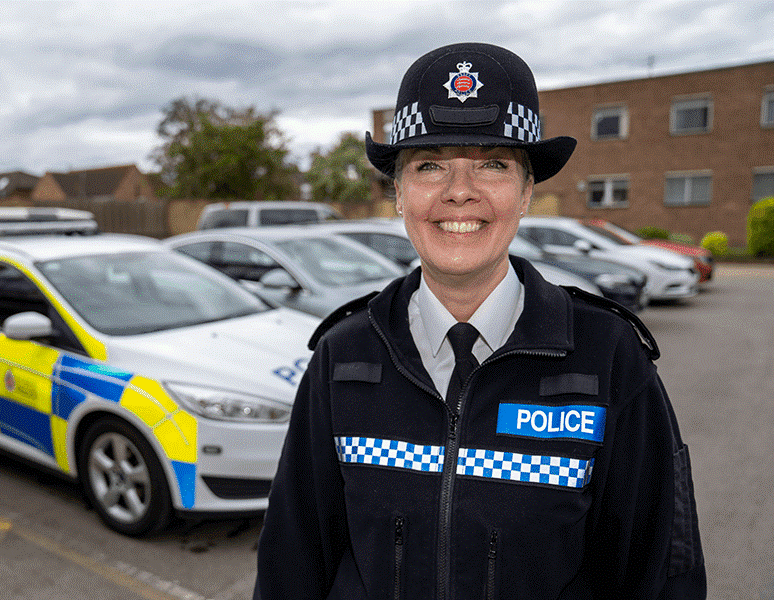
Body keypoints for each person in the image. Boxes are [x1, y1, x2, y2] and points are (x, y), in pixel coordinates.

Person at [253, 42, 706, 599]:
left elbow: (658, 574)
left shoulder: (608, 356)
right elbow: (291, 565)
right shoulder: (343, 357)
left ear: (526, 194)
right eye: (429, 166)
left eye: (493, 164)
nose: (459, 191)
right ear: (398, 192)